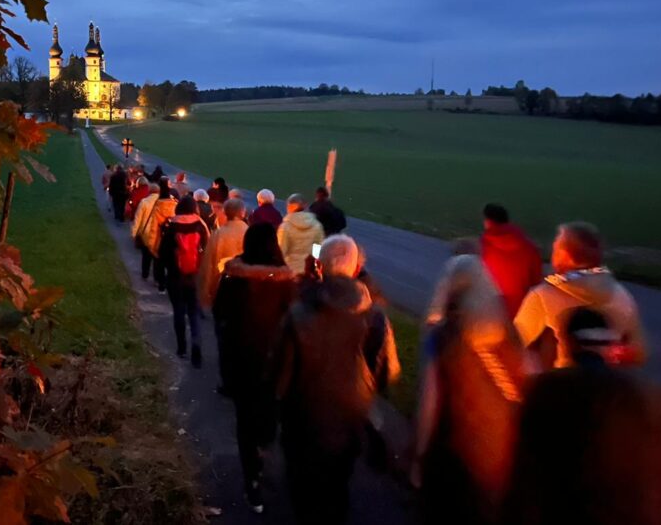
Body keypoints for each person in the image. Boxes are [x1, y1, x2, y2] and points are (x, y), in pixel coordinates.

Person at [504, 308, 661, 525]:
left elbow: (522, 477)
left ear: (567, 343)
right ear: (609, 345)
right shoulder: (655, 399)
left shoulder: (544, 392)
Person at [273, 235, 393, 524]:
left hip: (303, 418)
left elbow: (281, 374)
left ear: (320, 266)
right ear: (354, 268)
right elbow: (387, 371)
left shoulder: (300, 311)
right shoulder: (374, 315)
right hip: (349, 417)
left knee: (303, 486)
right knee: (338, 484)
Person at [413, 255, 531, 525]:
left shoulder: (443, 336)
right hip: (498, 459)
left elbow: (430, 404)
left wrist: (419, 457)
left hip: (452, 453)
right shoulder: (509, 332)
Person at [213, 224, 297, 513]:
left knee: (245, 423)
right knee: (269, 417)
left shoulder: (232, 277)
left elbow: (219, 315)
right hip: (275, 365)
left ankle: (253, 482)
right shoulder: (286, 280)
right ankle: (265, 449)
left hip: (242, 363)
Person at [514, 222, 648, 370]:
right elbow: (639, 353)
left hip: (564, 384)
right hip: (608, 384)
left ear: (565, 256)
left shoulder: (544, 295)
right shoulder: (622, 295)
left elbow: (515, 344)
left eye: (555, 249)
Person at [159, 196, 210, 366]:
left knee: (179, 311)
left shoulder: (171, 225)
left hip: (175, 277)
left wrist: (168, 268)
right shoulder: (200, 225)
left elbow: (163, 253)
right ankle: (197, 344)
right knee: (194, 313)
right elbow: (207, 248)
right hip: (193, 276)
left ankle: (181, 348)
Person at [479, 203, 542, 319]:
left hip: (491, 313)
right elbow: (536, 281)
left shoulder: (484, 247)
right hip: (523, 311)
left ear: (488, 222)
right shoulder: (529, 247)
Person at [131, 178, 177, 291]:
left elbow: (138, 219)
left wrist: (134, 232)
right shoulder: (169, 203)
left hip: (146, 232)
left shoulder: (145, 202)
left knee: (146, 256)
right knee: (157, 258)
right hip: (160, 233)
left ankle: (145, 273)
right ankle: (157, 279)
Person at [277, 193, 326, 275]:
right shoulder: (316, 225)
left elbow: (281, 252)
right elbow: (318, 251)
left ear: (289, 208)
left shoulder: (285, 227)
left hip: (291, 271)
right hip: (309, 272)